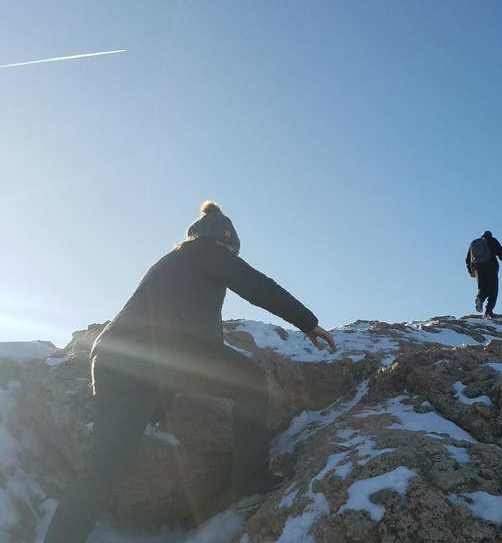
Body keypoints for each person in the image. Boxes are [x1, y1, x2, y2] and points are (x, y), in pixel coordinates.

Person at [44, 200, 336, 543]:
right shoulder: (208, 252)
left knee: (104, 466)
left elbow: (164, 333)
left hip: (113, 360)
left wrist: (156, 405)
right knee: (250, 381)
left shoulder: (172, 263)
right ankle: (250, 482)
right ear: (226, 243)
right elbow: (258, 287)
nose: (232, 259)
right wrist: (308, 323)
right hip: (154, 357)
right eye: (233, 252)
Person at [466, 230, 502, 319]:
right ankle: (488, 312)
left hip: (477, 268)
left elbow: (468, 259)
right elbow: (501, 252)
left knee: (482, 287)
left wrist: (471, 271)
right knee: (493, 289)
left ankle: (480, 298)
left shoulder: (474, 243)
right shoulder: (492, 240)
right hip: (491, 266)